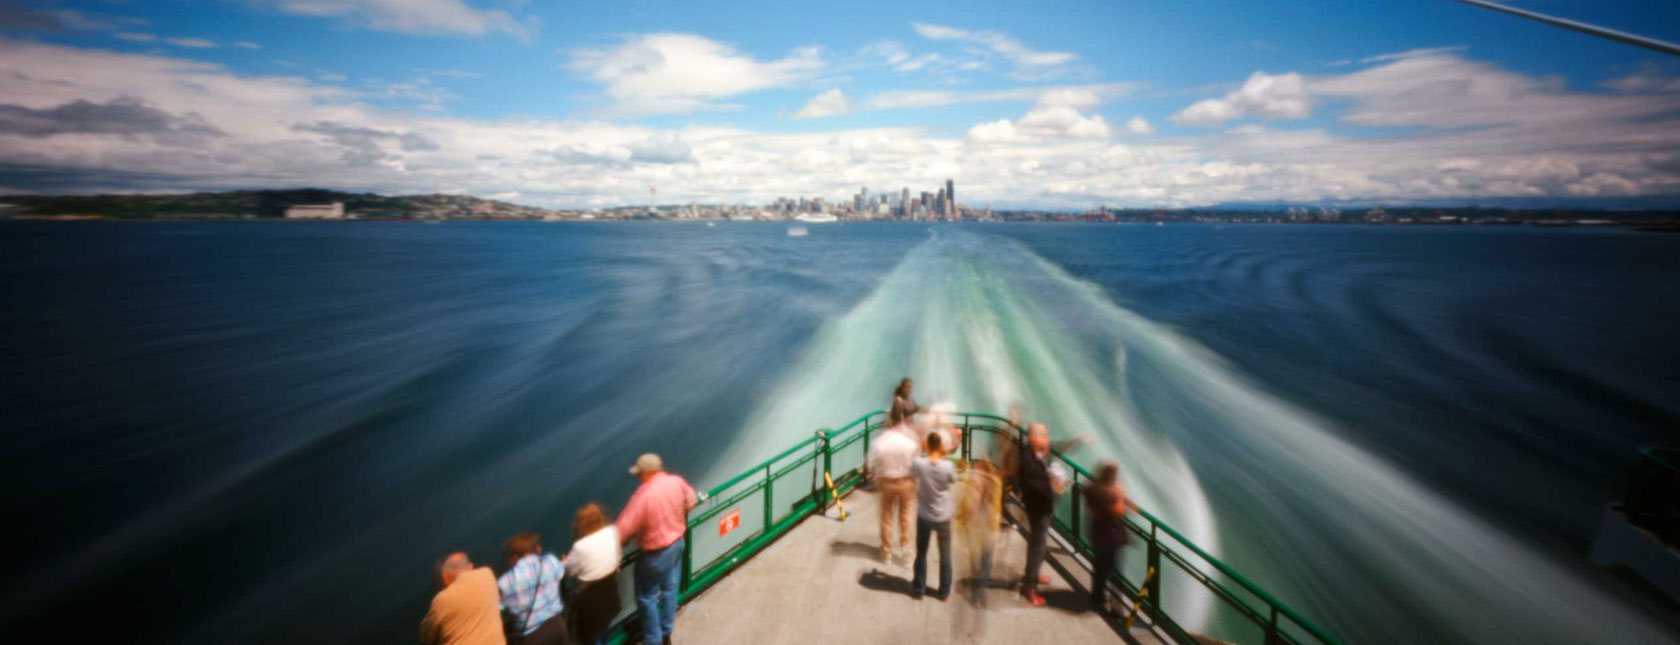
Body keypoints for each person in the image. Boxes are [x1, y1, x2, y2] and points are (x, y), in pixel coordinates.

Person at [616, 453, 697, 645]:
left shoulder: (642, 495)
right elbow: (692, 500)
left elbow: (622, 530)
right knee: (670, 590)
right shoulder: (676, 482)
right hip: (677, 545)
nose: (638, 477)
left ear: (647, 473)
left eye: (639, 474)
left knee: (646, 597)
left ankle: (654, 640)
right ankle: (666, 632)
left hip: (654, 555)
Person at [1018, 422, 1076, 607]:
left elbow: (1056, 449)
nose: (1048, 438)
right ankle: (1030, 587)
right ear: (1034, 438)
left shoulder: (1039, 455)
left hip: (1042, 506)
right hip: (1038, 508)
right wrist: (1054, 487)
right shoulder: (1028, 459)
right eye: (1044, 435)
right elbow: (1033, 486)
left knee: (1037, 545)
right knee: (1038, 546)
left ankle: (1032, 575)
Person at [565, 503, 623, 645]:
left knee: (592, 637)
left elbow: (570, 570)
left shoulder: (580, 547)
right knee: (603, 630)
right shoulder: (612, 531)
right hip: (610, 592)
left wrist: (565, 560)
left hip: (590, 601)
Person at [868, 408, 920, 563]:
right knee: (906, 518)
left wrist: (877, 477)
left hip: (886, 482)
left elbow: (872, 464)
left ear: (888, 422)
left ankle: (886, 553)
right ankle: (906, 554)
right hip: (906, 482)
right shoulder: (910, 443)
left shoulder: (879, 442)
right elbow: (916, 465)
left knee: (886, 518)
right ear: (901, 421)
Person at [498, 532, 568, 645]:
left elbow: (499, 606)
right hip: (558, 627)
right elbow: (561, 570)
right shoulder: (550, 561)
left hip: (532, 637)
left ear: (514, 557)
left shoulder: (505, 582)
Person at [421, 552, 506, 645]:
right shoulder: (487, 575)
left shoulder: (442, 599)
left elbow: (427, 636)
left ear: (446, 577)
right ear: (471, 567)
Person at [911, 432, 957, 600]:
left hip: (924, 515)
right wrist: (943, 456)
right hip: (943, 516)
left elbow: (913, 472)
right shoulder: (948, 466)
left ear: (927, 445)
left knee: (921, 553)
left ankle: (919, 590)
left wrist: (924, 452)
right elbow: (954, 480)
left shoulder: (919, 463)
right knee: (945, 555)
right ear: (941, 447)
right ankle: (944, 592)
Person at [1084, 461, 1134, 613]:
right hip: (1110, 537)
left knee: (1099, 568)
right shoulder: (1110, 494)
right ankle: (1117, 609)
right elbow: (1120, 511)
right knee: (1115, 573)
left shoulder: (1092, 488)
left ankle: (1097, 597)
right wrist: (1121, 494)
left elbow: (1089, 506)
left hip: (1096, 532)